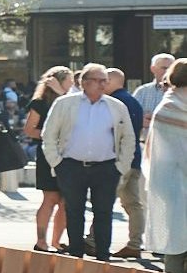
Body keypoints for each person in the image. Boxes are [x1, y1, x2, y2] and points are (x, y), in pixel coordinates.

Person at [42, 63, 135, 260]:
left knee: (104, 213)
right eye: (98, 81)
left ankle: (103, 257)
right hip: (72, 166)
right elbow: (49, 135)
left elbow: (128, 138)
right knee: (74, 212)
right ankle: (77, 256)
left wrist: (121, 167)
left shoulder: (116, 106)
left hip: (106, 167)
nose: (103, 85)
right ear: (84, 82)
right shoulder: (65, 104)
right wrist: (57, 164)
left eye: (105, 81)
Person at [142, 60, 187, 273]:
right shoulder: (169, 108)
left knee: (176, 244)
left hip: (170, 184)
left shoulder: (166, 106)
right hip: (175, 186)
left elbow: (153, 150)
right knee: (177, 246)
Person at [24, 66, 75, 250]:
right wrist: (52, 136)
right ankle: (41, 240)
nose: (72, 85)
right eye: (69, 81)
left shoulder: (71, 101)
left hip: (69, 155)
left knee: (65, 201)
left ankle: (56, 241)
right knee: (51, 198)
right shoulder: (40, 103)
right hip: (48, 154)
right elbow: (29, 130)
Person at [109, 69, 149, 259]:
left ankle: (93, 240)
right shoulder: (132, 100)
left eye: (103, 80)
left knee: (106, 201)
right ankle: (135, 243)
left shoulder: (116, 102)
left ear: (110, 81)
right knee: (133, 203)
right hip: (133, 159)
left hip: (120, 160)